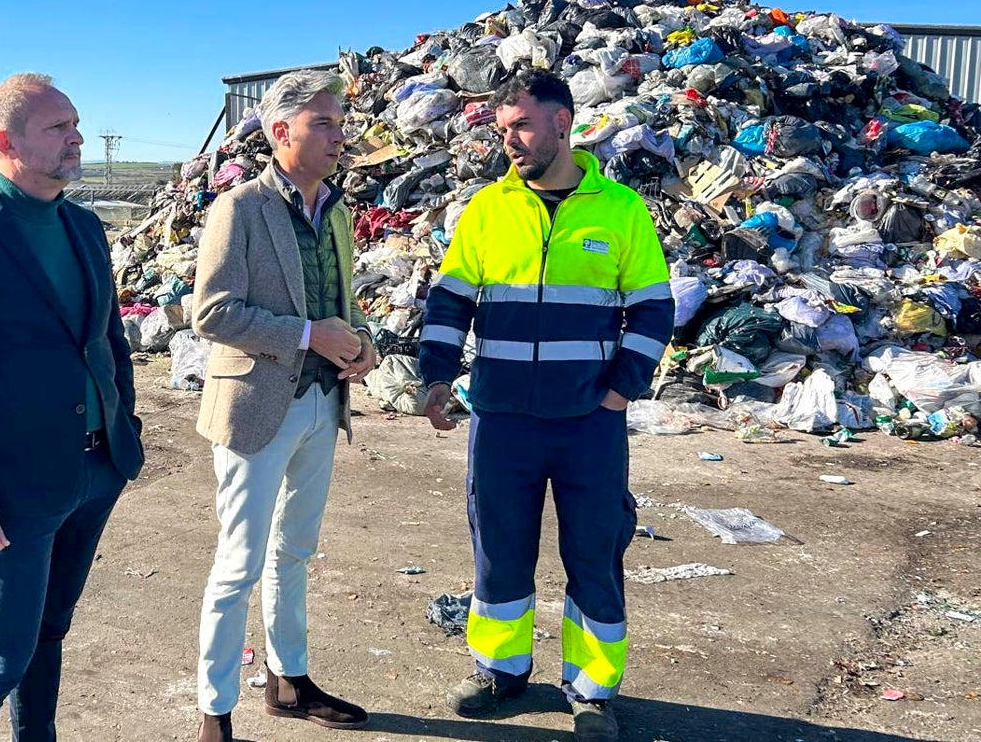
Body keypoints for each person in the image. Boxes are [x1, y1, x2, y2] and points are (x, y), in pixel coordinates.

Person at [418, 68, 674, 742]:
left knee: (594, 552)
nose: (511, 140)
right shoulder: (486, 210)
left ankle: (591, 693)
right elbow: (450, 302)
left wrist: (622, 390)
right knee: (500, 552)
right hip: (502, 420)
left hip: (590, 422)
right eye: (502, 129)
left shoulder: (618, 209)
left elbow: (653, 308)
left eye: (522, 125)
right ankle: (500, 671)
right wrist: (436, 378)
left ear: (562, 122)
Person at [0, 73, 144, 742]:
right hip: (12, 489)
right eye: (58, 127)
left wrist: (127, 427)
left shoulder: (84, 225)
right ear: (6, 142)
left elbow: (109, 339)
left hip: (97, 471)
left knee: (50, 634)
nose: (77, 136)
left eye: (76, 122)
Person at [191, 70, 375, 742]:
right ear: (280, 133)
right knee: (239, 563)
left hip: (324, 405)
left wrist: (363, 345)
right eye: (323, 124)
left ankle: (288, 680)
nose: (338, 136)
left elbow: (341, 307)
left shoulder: (339, 213)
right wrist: (306, 336)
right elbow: (212, 312)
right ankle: (214, 712)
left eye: (339, 123)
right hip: (255, 409)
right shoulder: (239, 209)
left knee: (294, 550)